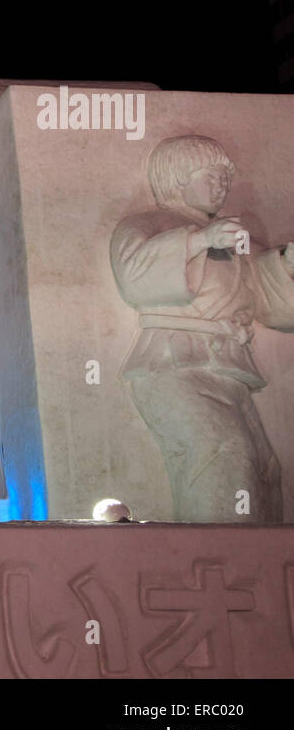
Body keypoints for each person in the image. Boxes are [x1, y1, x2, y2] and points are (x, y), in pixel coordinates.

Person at [110, 135, 294, 522]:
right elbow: (135, 276)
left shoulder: (235, 236)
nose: (221, 185)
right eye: (210, 175)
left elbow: (264, 292)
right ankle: (217, 563)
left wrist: (285, 265)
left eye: (225, 177)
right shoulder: (145, 224)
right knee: (223, 452)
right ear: (177, 179)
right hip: (171, 364)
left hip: (231, 369)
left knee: (263, 469)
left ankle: (257, 571)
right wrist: (198, 240)